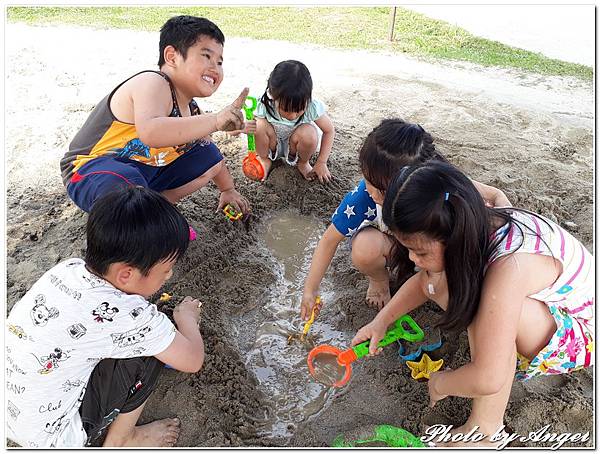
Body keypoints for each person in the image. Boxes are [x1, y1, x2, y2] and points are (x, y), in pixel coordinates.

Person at [351, 161, 594, 446]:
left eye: (418, 252)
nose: (413, 260)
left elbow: (488, 377)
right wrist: (381, 322)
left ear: (453, 236)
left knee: (480, 301)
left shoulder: (509, 268)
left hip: (581, 334)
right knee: (455, 287)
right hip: (543, 308)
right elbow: (424, 284)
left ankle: (486, 431)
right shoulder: (472, 224)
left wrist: (442, 382)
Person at [6, 186, 206, 448]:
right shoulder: (132, 317)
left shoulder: (66, 270)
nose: (168, 276)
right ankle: (122, 440)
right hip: (55, 438)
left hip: (10, 411)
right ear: (126, 275)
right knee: (153, 344)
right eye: (166, 270)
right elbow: (192, 360)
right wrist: (186, 319)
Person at [300, 119, 510, 320]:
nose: (371, 191)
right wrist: (310, 290)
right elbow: (329, 240)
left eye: (381, 189)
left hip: (432, 249)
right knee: (365, 248)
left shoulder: (441, 182)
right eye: (367, 178)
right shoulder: (365, 195)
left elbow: (495, 196)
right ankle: (379, 280)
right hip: (394, 246)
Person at [60, 15, 253, 216]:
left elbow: (213, 158)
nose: (215, 67)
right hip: (91, 170)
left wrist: (227, 189)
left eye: (220, 61)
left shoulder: (191, 109)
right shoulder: (152, 82)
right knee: (128, 187)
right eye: (206, 56)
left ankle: (157, 207)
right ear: (172, 57)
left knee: (208, 153)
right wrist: (215, 120)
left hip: (142, 176)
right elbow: (151, 132)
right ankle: (141, 220)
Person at [250, 60, 335, 183]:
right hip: (272, 144)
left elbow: (329, 130)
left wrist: (322, 162)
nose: (292, 115)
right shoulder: (264, 103)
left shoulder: (312, 107)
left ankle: (303, 163)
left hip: (296, 146)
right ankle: (264, 159)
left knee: (310, 133)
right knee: (258, 124)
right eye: (286, 109)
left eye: (299, 110)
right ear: (273, 96)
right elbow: (250, 127)